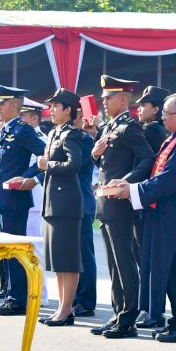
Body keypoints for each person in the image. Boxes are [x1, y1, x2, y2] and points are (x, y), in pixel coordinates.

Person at [108, 93, 176, 342]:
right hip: (168, 216)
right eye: (163, 113)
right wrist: (129, 182)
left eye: (167, 113)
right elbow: (157, 174)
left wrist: (132, 191)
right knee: (170, 271)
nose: (163, 118)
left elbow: (168, 181)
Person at [90, 75, 154, 339]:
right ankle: (118, 313)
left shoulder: (130, 127)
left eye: (108, 98)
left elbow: (147, 158)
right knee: (114, 264)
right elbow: (104, 166)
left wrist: (126, 182)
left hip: (121, 203)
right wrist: (95, 154)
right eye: (103, 97)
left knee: (125, 261)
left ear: (123, 99)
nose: (103, 102)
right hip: (106, 202)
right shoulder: (109, 128)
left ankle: (128, 318)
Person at [0, 84, 45, 316]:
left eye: (1, 103)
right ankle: (11, 295)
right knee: (7, 249)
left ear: (15, 106)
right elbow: (0, 156)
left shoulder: (24, 129)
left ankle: (19, 299)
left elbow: (46, 154)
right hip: (4, 197)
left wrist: (27, 177)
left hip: (16, 198)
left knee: (15, 249)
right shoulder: (7, 129)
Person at [33, 88, 83, 326]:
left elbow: (75, 164)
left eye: (55, 106)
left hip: (66, 204)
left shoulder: (71, 134)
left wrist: (48, 164)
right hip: (53, 202)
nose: (51, 110)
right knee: (58, 260)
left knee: (68, 259)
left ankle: (66, 310)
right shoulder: (55, 132)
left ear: (68, 110)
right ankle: (62, 308)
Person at [135, 85, 170, 328]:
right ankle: (148, 307)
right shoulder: (151, 130)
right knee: (144, 258)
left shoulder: (153, 132)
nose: (139, 109)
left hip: (147, 199)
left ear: (156, 109)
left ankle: (151, 309)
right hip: (144, 198)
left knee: (147, 259)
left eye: (144, 105)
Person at [19, 97, 50, 307]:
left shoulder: (42, 140)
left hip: (35, 199)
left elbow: (41, 169)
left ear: (34, 118)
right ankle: (31, 290)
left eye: (23, 116)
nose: (20, 119)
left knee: (35, 247)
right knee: (25, 247)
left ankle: (41, 293)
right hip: (24, 198)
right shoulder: (23, 136)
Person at [71, 107, 97, 318]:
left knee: (84, 255)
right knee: (73, 254)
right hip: (70, 204)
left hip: (82, 203)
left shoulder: (85, 140)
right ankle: (75, 298)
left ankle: (86, 301)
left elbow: (73, 166)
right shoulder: (70, 137)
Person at [136, 86, 169, 154]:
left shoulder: (150, 130)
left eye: (143, 105)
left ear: (155, 110)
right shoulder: (162, 128)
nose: (138, 109)